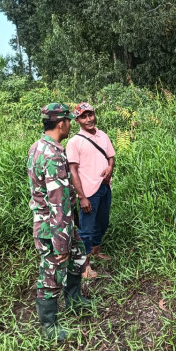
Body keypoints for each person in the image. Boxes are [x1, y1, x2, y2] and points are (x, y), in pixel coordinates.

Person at [27, 103, 91, 341]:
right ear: (62, 122)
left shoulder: (39, 146)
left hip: (61, 224)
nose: (70, 125)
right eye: (68, 121)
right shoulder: (52, 155)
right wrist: (60, 242)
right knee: (51, 273)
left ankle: (73, 299)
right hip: (53, 226)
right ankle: (49, 325)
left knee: (78, 256)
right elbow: (58, 203)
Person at [66, 103, 115, 279]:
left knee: (102, 222)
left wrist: (110, 168)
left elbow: (111, 157)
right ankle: (84, 266)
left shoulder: (103, 135)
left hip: (104, 187)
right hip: (88, 192)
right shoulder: (74, 142)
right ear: (77, 120)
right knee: (86, 229)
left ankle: (96, 251)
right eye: (84, 117)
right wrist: (82, 197)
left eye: (91, 115)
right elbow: (73, 170)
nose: (89, 119)